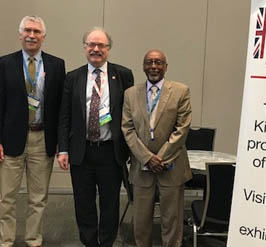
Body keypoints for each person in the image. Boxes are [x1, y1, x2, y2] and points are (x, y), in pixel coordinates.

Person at [0, 15, 66, 247]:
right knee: (7, 199)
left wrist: (61, 143)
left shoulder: (56, 64)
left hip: (43, 139)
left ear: (43, 37)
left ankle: (34, 241)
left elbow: (61, 108)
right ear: (20, 34)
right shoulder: (6, 62)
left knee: (38, 198)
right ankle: (6, 242)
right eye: (27, 31)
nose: (31, 35)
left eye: (36, 31)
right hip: (11, 140)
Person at [57, 27, 134, 247]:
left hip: (111, 152)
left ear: (109, 49)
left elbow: (131, 115)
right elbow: (64, 117)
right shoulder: (73, 77)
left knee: (110, 204)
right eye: (91, 44)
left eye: (101, 45)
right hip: (81, 152)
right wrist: (63, 149)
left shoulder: (123, 75)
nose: (96, 49)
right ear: (84, 48)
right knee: (84, 203)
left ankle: (107, 243)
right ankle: (89, 242)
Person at [121, 49, 192, 247]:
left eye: (158, 62)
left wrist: (160, 158)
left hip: (172, 166)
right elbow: (127, 129)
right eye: (149, 62)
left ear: (166, 67)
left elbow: (182, 128)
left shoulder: (181, 91)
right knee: (141, 222)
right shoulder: (130, 94)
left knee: (172, 221)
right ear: (143, 66)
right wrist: (146, 158)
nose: (154, 66)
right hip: (141, 168)